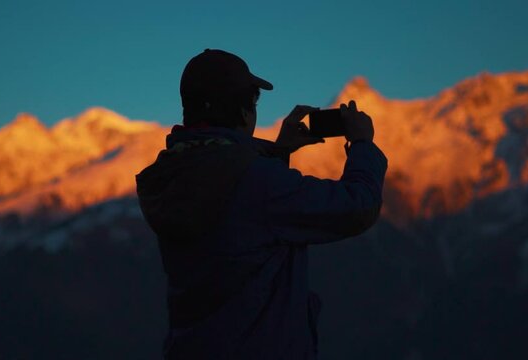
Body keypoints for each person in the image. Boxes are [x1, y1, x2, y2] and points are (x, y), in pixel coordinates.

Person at [135, 49, 388, 359]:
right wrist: (362, 145)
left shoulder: (172, 175)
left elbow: (241, 214)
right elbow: (357, 206)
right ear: (242, 112)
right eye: (253, 104)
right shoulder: (260, 186)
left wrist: (278, 154)